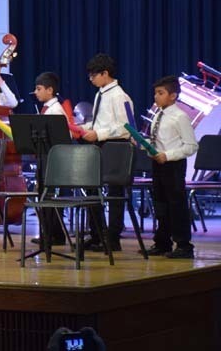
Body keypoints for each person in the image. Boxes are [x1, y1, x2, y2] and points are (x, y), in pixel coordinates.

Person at [79, 53, 132, 252]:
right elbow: (100, 121)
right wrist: (83, 127)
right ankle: (97, 234)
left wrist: (98, 134)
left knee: (114, 193)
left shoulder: (119, 96)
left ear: (105, 73)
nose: (90, 79)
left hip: (116, 147)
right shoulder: (100, 93)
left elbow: (126, 128)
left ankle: (113, 237)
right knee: (91, 189)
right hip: (101, 145)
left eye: (94, 75)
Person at [145, 76, 199, 259]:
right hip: (158, 164)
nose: (156, 97)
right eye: (155, 93)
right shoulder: (158, 115)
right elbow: (157, 142)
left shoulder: (180, 116)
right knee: (161, 205)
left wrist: (167, 155)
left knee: (176, 205)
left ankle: (184, 245)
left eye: (160, 93)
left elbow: (191, 146)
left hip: (173, 165)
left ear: (173, 96)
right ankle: (163, 242)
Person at [31, 72, 67, 246]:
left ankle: (54, 234)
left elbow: (60, 137)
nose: (35, 92)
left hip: (52, 159)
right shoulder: (47, 109)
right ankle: (50, 233)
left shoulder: (56, 110)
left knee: (49, 196)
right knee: (43, 195)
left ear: (50, 90)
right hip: (44, 157)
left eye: (38, 89)